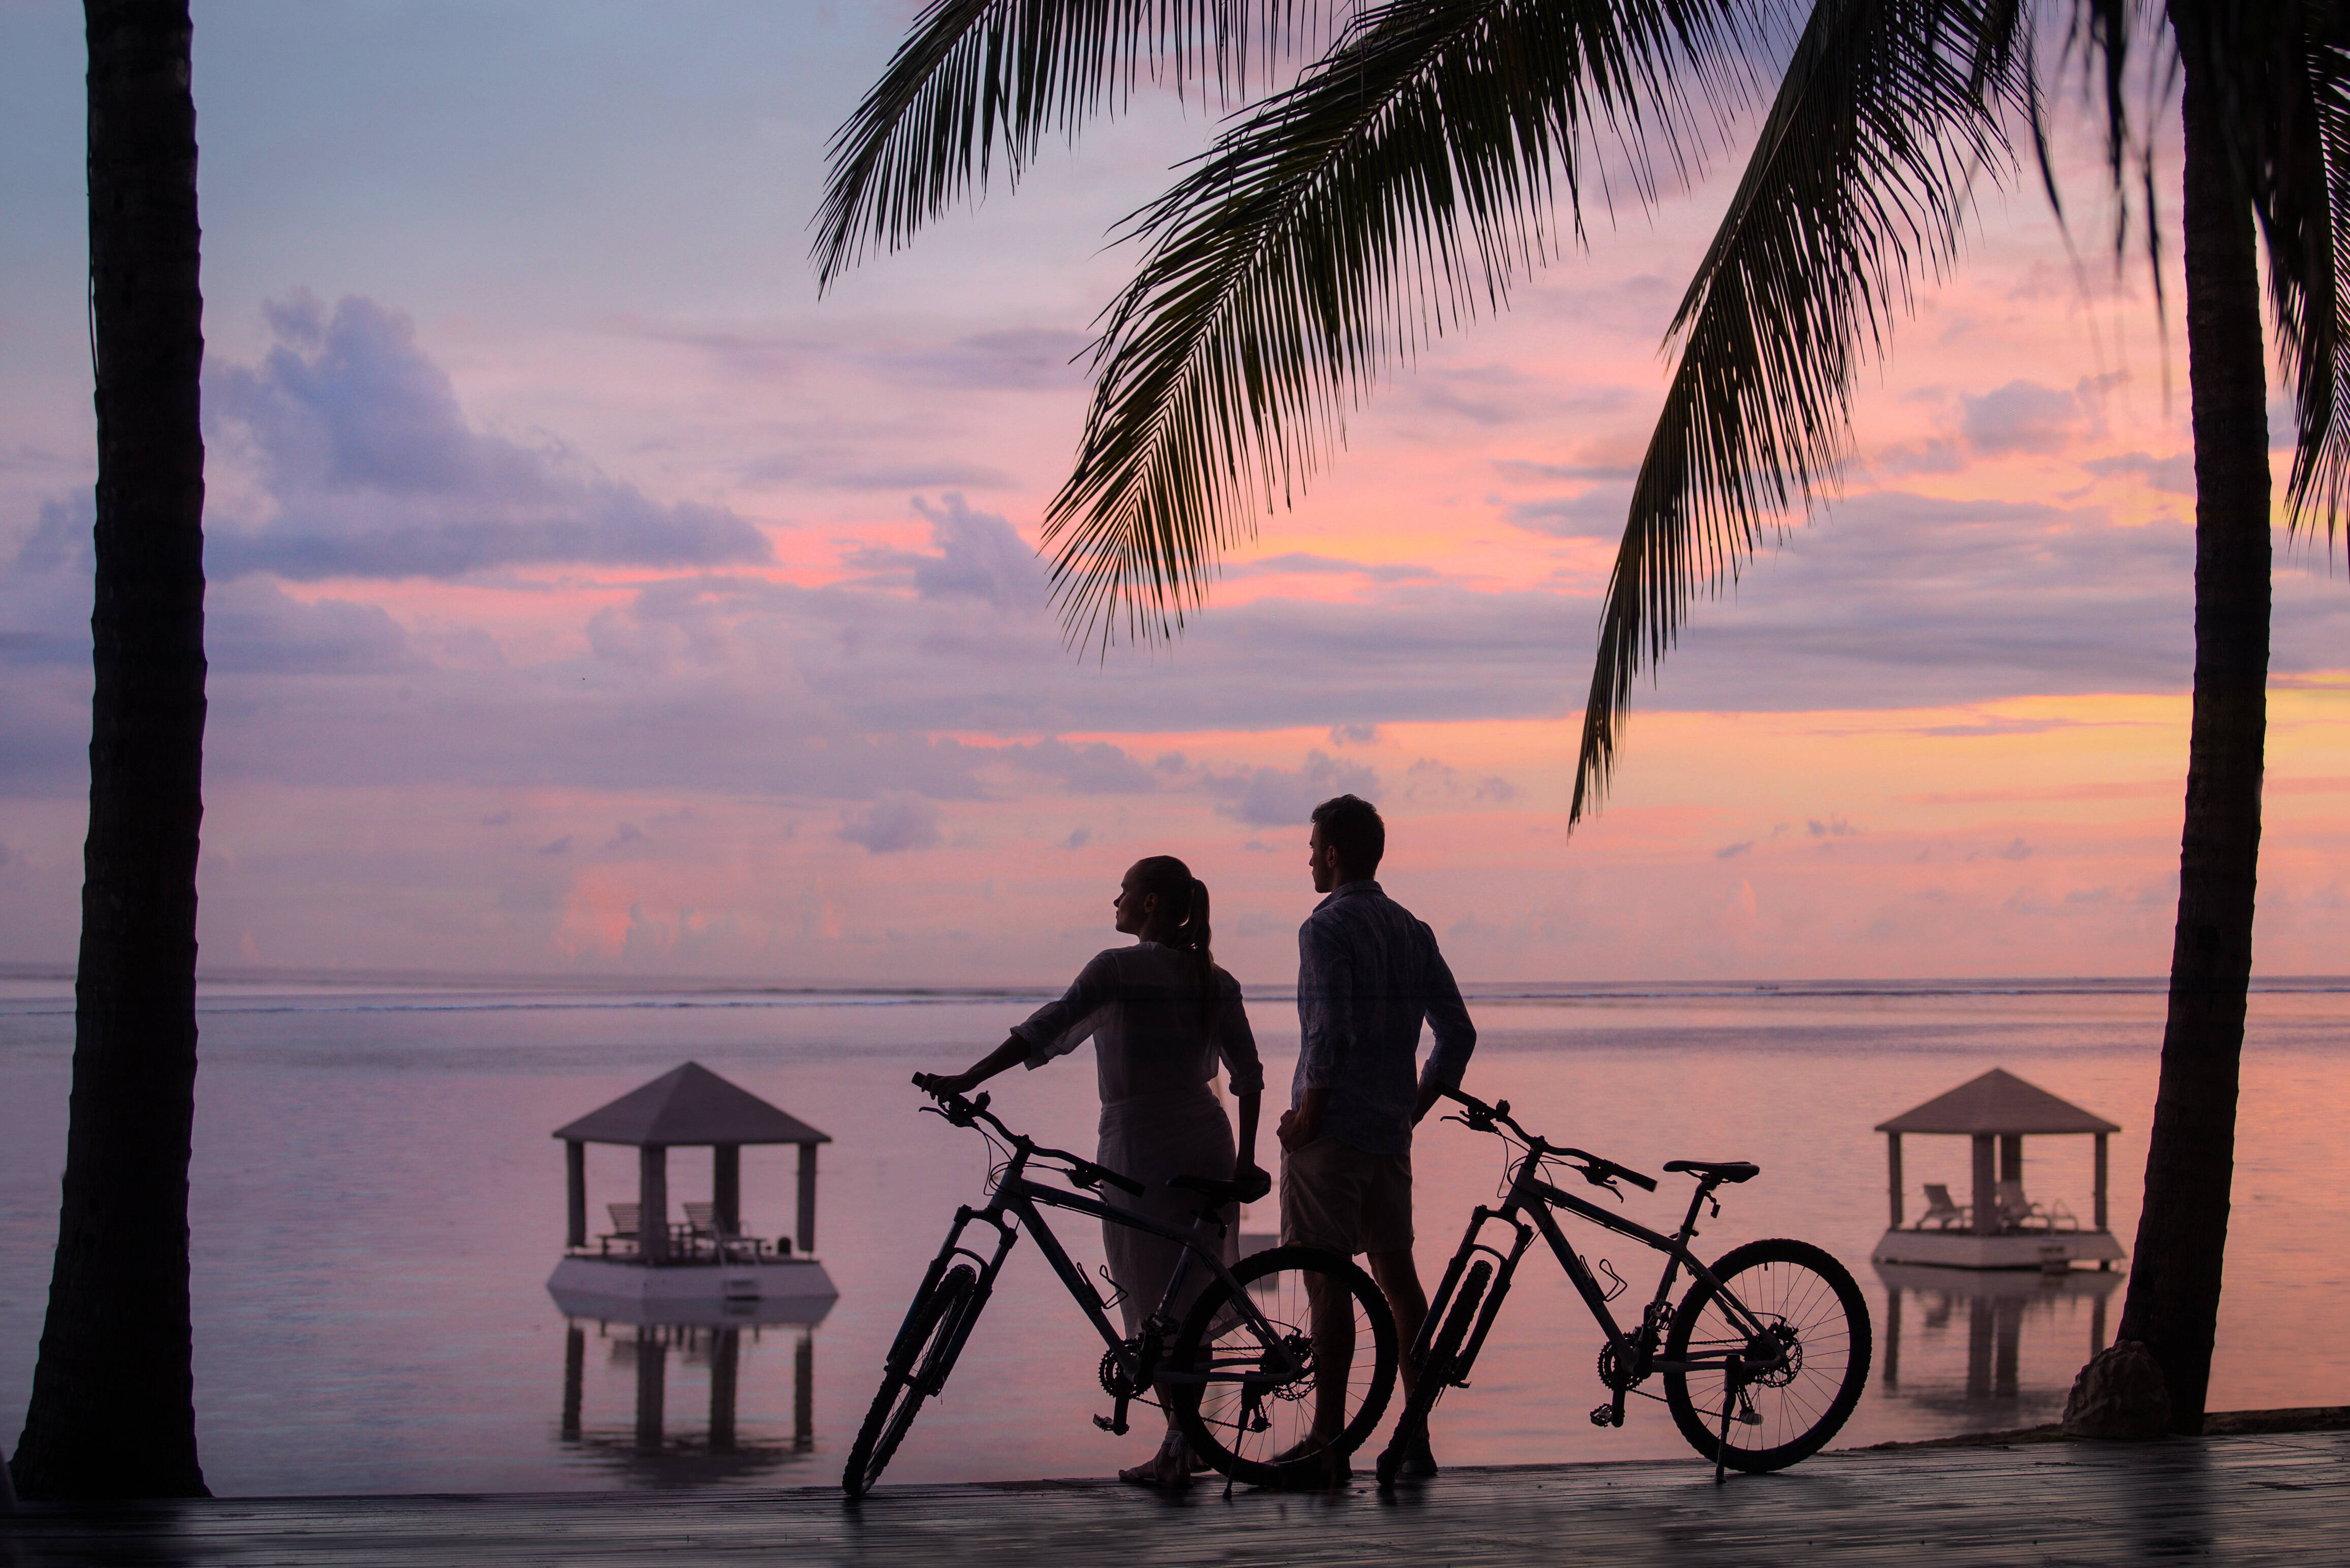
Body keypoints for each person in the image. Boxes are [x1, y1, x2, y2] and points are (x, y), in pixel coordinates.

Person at [915, 855, 1265, 1489]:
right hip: (1204, 1139)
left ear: (1153, 902)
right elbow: (1250, 1077)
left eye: (1124, 891)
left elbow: (1047, 1028)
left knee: (1153, 1299)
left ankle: (1178, 1445)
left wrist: (969, 1077)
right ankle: (1179, 1444)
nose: (1115, 902)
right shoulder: (1216, 977)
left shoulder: (1118, 968)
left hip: (1141, 1146)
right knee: (1183, 1301)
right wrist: (1242, 1159)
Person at [1277, 793, 1475, 1483]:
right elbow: (1457, 1034)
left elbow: (1328, 1031)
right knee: (1399, 1283)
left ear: (1333, 853)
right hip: (1389, 1135)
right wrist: (1412, 1109)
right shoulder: (1412, 930)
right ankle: (1415, 1433)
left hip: (1331, 1135)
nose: (1308, 858)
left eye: (1312, 847)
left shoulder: (1324, 927)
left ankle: (1328, 1439)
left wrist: (1307, 1117)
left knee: (1328, 1284)